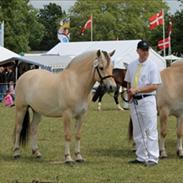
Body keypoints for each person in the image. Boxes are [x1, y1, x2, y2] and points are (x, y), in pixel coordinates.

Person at [124, 40, 161, 166]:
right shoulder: (132, 65)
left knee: (150, 130)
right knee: (138, 131)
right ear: (137, 51)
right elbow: (128, 81)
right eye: (143, 50)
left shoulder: (152, 66)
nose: (145, 53)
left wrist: (137, 90)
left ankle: (153, 157)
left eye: (146, 50)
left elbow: (155, 85)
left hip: (148, 99)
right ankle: (141, 157)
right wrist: (129, 93)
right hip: (134, 101)